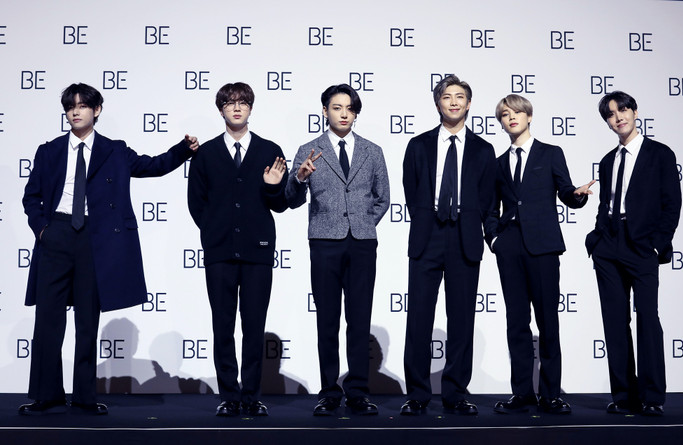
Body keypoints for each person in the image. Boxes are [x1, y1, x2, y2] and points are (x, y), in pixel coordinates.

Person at [20, 83, 198, 415]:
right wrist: (43, 230)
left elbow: (152, 165)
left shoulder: (115, 151)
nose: (75, 111)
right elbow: (31, 197)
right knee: (47, 321)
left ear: (96, 110)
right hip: (57, 235)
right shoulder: (49, 151)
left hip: (95, 239)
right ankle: (46, 394)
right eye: (70, 107)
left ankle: (84, 397)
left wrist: (183, 150)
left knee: (87, 321)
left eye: (82, 105)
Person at [485, 94, 595, 415]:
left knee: (548, 322)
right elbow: (490, 208)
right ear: (501, 122)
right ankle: (522, 393)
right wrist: (495, 239)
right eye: (505, 114)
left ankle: (550, 395)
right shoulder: (497, 163)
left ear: (529, 116)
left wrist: (577, 195)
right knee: (516, 322)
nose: (512, 117)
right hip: (510, 248)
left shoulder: (550, 153)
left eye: (517, 112)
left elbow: (566, 191)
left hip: (543, 247)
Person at [286, 83, 390, 416]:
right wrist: (299, 178)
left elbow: (383, 197)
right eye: (337, 107)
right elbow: (290, 199)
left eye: (350, 108)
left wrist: (362, 222)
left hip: (362, 244)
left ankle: (357, 391)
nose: (344, 114)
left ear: (356, 113)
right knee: (327, 320)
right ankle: (329, 392)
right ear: (325, 111)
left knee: (359, 319)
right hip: (324, 243)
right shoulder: (308, 149)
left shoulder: (372, 151)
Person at [187, 82, 288, 417]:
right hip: (219, 252)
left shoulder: (269, 150)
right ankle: (229, 396)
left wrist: (273, 187)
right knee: (223, 325)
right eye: (229, 103)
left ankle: (251, 396)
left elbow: (281, 203)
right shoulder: (206, 154)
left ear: (251, 108)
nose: (236, 107)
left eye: (243, 102)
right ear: (221, 110)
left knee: (254, 326)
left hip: (258, 251)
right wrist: (214, 231)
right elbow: (196, 203)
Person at [401, 75, 496, 416]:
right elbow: (411, 189)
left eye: (460, 97)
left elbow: (487, 197)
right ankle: (417, 394)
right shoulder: (418, 145)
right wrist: (426, 219)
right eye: (447, 97)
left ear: (469, 104)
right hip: (427, 236)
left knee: (461, 319)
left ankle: (455, 393)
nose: (453, 102)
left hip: (464, 237)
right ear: (438, 103)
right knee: (419, 317)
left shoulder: (484, 150)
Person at [585, 91, 681, 416]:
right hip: (608, 244)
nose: (618, 117)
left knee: (648, 319)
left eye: (623, 110)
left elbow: (672, 203)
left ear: (635, 112)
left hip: (642, 245)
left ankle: (652, 396)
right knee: (614, 321)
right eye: (611, 114)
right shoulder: (607, 161)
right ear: (608, 123)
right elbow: (606, 204)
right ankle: (624, 395)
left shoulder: (660, 154)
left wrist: (656, 243)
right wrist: (596, 240)